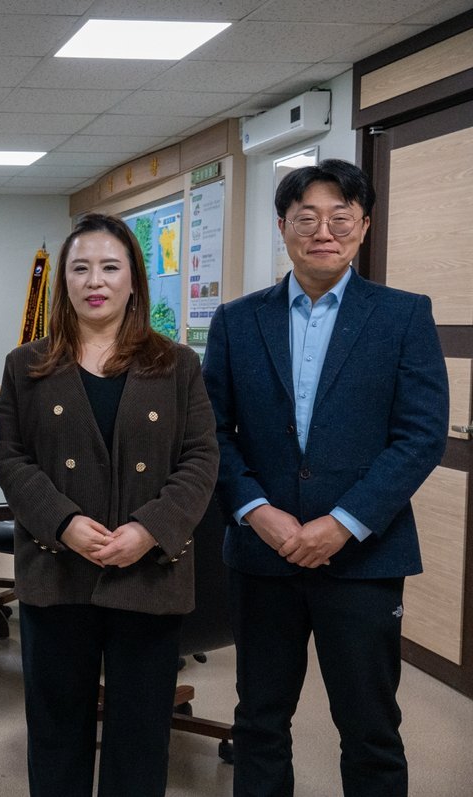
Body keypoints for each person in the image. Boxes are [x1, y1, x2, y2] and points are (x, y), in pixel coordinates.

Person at [202, 159, 449, 797]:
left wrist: (342, 523)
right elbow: (211, 433)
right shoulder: (237, 320)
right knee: (259, 721)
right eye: (306, 218)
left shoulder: (403, 316)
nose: (323, 232)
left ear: (363, 227)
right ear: (282, 225)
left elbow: (420, 436)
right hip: (263, 554)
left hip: (364, 557)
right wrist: (256, 510)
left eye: (341, 218)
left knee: (371, 728)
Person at [0, 212, 219, 797]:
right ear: (63, 282)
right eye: (81, 268)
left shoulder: (177, 364)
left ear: (134, 280)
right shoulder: (26, 365)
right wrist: (63, 523)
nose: (95, 280)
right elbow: (10, 457)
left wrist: (150, 529)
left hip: (150, 574)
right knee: (55, 730)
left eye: (110, 267)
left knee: (140, 736)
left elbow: (201, 458)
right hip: (57, 571)